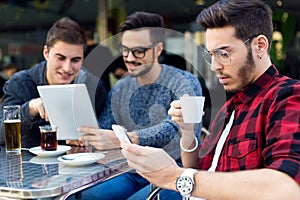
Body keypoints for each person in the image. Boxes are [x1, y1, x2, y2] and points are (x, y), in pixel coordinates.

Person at [121, 1, 300, 199]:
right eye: (211, 55)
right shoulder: (229, 107)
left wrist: (173, 176)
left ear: (259, 46)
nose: (214, 66)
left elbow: (287, 187)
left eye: (223, 53)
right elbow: (198, 169)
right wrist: (187, 132)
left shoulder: (287, 96)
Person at [78, 11, 203, 200]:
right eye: (125, 49)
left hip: (171, 173)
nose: (128, 57)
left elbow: (174, 129)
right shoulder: (121, 87)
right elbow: (106, 126)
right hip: (130, 171)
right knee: (86, 195)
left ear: (158, 49)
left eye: (138, 51)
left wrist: (127, 138)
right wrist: (92, 137)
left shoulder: (184, 81)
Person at [0, 17, 107, 148]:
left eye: (75, 60)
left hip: (78, 165)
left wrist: (90, 140)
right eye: (60, 58)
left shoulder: (94, 87)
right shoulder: (19, 84)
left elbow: (105, 135)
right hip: (28, 166)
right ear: (46, 53)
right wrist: (29, 109)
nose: (67, 68)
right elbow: (1, 135)